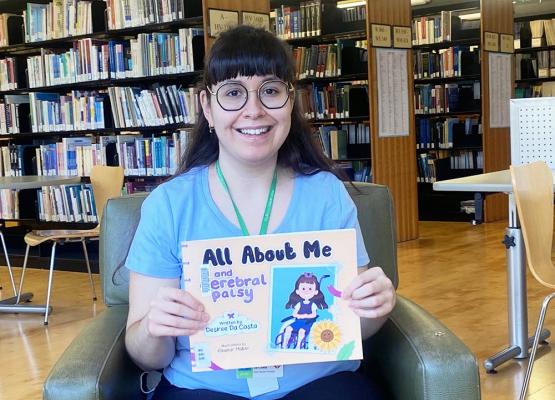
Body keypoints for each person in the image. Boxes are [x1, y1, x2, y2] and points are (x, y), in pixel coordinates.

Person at [124, 25, 396, 400]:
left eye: (270, 91)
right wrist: (155, 329)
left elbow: (355, 327)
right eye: (233, 93)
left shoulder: (327, 195)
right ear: (207, 106)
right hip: (204, 386)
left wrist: (375, 308)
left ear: (290, 102)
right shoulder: (169, 205)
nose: (254, 110)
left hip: (320, 381)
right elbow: (145, 356)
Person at [278, 272, 328, 349]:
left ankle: (298, 346)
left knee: (301, 331)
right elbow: (294, 314)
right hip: (297, 322)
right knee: (288, 328)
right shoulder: (299, 304)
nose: (306, 291)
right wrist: (299, 316)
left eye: (310, 289)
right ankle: (284, 344)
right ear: (298, 291)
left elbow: (314, 315)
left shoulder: (313, 305)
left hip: (307, 323)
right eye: (303, 289)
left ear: (315, 292)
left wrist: (305, 316)